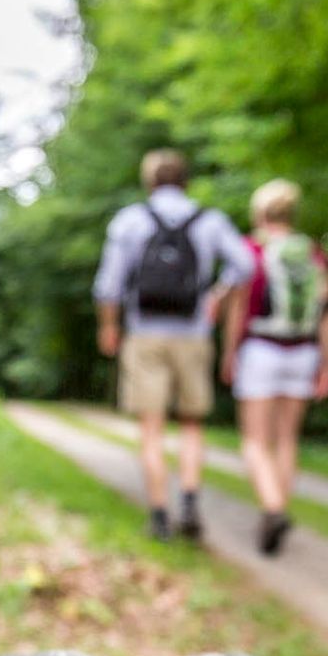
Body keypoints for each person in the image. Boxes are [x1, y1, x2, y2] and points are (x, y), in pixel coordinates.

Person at [93, 149, 253, 541]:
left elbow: (109, 285)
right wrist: (217, 294)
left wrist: (109, 326)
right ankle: (191, 502)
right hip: (194, 334)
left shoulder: (131, 220)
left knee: (151, 428)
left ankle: (160, 514)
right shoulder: (210, 221)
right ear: (186, 181)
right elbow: (246, 265)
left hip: (145, 332)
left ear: (149, 181)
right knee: (192, 425)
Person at [221, 178, 328, 555]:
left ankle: (272, 509)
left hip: (261, 349)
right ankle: (278, 508)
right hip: (302, 352)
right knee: (287, 439)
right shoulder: (312, 254)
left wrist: (229, 353)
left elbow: (238, 308)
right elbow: (327, 313)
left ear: (260, 213)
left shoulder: (252, 249)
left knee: (255, 440)